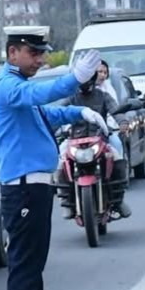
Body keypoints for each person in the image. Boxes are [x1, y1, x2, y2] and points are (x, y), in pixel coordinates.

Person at [0, 27, 104, 290]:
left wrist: (79, 113)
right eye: (33, 53)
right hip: (22, 186)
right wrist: (73, 79)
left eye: (41, 53)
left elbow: (45, 114)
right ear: (12, 53)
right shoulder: (8, 86)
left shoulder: (17, 87)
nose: (40, 59)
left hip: (33, 185)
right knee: (24, 267)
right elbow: (41, 96)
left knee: (33, 266)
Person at [59, 61, 131, 220]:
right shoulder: (71, 98)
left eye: (87, 78)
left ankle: (118, 200)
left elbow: (116, 111)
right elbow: (57, 113)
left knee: (117, 156)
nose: (84, 83)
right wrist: (50, 129)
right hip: (74, 140)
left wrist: (123, 123)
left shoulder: (103, 96)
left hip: (100, 138)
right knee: (60, 161)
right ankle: (66, 200)